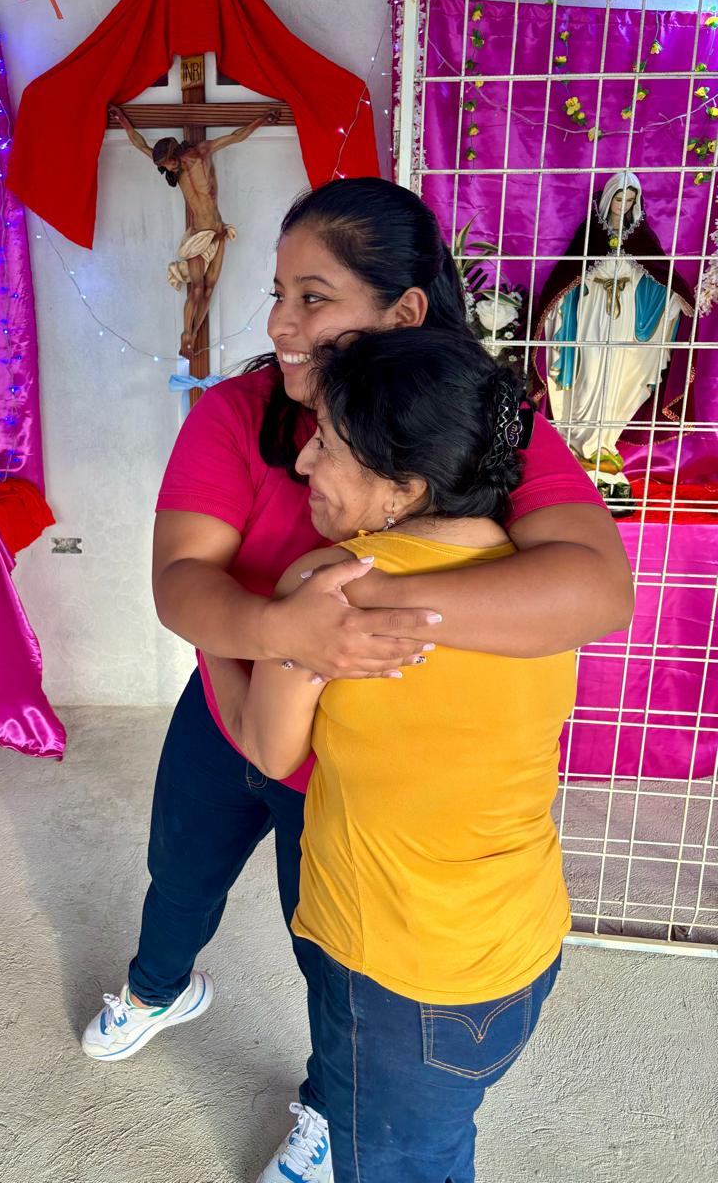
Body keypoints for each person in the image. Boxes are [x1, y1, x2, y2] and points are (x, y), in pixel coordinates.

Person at [80, 179, 634, 1183]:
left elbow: (595, 587)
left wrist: (356, 608)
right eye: (278, 294)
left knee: (340, 970)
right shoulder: (236, 411)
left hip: (346, 770)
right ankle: (158, 985)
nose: (279, 324)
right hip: (235, 707)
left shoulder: (479, 420)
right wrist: (286, 629)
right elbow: (181, 583)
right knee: (183, 870)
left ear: (405, 310)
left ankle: (333, 1108)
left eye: (313, 297)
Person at [204, 326, 576, 1183]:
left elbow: (267, 748)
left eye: (328, 446)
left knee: (390, 1163)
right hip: (522, 944)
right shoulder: (538, 583)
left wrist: (227, 634)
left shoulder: (328, 587)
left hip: (399, 977)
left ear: (404, 488)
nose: (303, 463)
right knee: (438, 1143)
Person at [533, 170, 696, 494]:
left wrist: (676, 300)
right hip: (591, 320)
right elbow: (566, 279)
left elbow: (660, 279)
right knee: (589, 376)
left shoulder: (641, 240)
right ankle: (578, 442)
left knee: (617, 381)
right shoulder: (591, 236)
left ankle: (602, 445)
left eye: (631, 200)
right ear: (608, 199)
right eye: (620, 198)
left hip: (626, 325)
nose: (625, 205)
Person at [109, 104, 282, 357]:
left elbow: (236, 136)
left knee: (209, 289)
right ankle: (185, 335)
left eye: (168, 164)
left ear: (175, 155)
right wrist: (123, 120)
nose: (168, 170)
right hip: (199, 236)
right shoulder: (174, 169)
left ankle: (194, 334)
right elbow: (140, 144)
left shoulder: (202, 152)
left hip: (219, 233)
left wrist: (262, 120)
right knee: (197, 289)